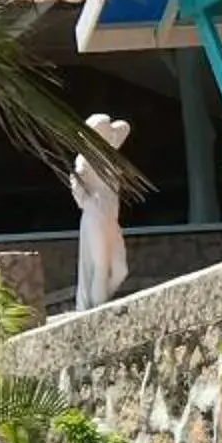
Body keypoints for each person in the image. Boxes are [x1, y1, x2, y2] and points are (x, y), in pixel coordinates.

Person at [72, 116, 133, 312]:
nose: (110, 134)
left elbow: (125, 127)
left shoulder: (107, 156)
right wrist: (86, 199)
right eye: (105, 131)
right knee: (101, 267)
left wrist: (110, 130)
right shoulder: (85, 159)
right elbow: (76, 180)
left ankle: (95, 305)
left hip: (110, 217)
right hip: (95, 214)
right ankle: (98, 310)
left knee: (120, 270)